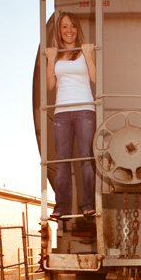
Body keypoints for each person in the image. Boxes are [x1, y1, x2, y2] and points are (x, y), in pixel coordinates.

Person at [45, 12, 97, 220]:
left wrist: (89, 54)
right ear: (59, 30)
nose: (69, 30)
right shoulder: (56, 55)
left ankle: (88, 205)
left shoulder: (85, 51)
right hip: (62, 112)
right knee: (62, 161)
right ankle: (61, 207)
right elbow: (50, 85)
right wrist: (50, 59)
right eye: (65, 26)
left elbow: (95, 78)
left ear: (78, 29)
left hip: (85, 108)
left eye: (73, 26)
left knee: (86, 158)